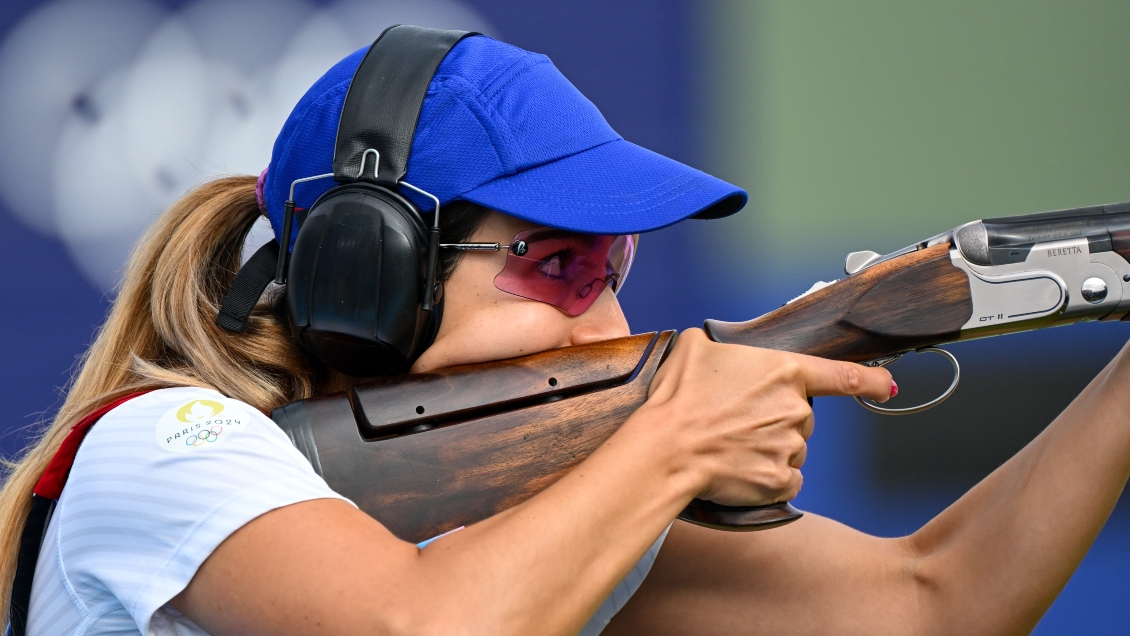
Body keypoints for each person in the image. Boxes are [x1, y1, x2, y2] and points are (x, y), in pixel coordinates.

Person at [1, 30, 1127, 636]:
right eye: (553, 263)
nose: (597, 308)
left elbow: (931, 606)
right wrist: (674, 441)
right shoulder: (161, 446)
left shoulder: (546, 511)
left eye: (612, 262)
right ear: (366, 271)